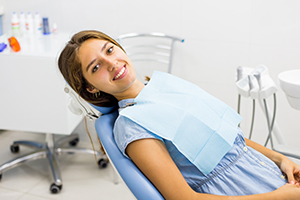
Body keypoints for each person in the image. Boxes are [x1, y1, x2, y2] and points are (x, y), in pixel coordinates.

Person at [58, 30, 300, 199]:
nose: (111, 63)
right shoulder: (132, 127)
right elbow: (183, 198)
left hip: (269, 173)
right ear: (90, 87)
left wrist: (280, 159)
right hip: (247, 192)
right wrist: (278, 198)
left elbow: (226, 138)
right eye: (96, 67)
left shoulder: (165, 87)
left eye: (109, 50)